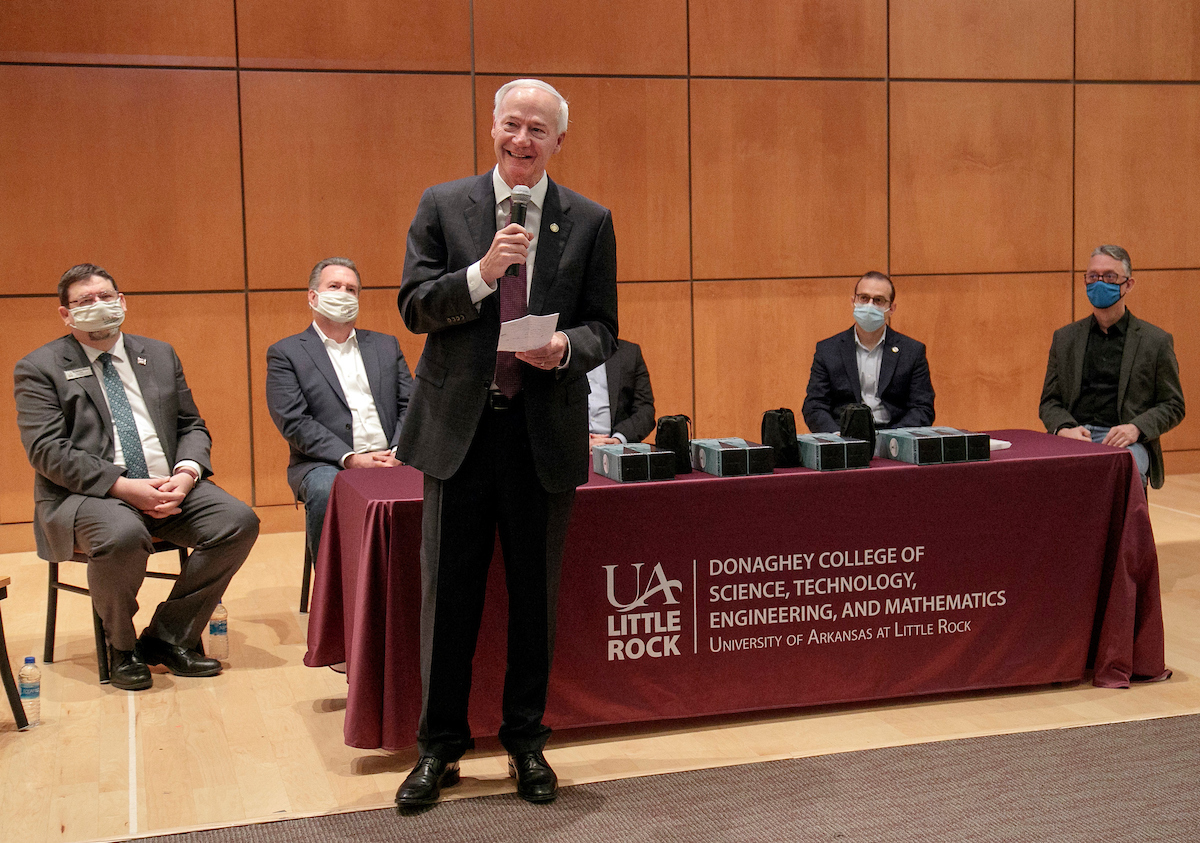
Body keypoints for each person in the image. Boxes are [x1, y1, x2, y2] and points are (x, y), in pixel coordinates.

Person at [393, 78, 617, 808]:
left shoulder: (588, 220)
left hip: (539, 434)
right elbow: (415, 306)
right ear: (492, 127)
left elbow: (602, 327)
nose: (523, 141)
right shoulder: (443, 205)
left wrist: (563, 346)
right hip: (460, 432)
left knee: (534, 601)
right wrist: (481, 275)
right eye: (512, 126)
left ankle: (525, 741)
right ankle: (439, 749)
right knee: (447, 599)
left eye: (538, 131)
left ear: (559, 142)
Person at [14, 264, 259, 691]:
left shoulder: (158, 354)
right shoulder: (40, 367)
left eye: (106, 296)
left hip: (168, 484)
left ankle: (166, 637)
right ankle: (122, 648)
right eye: (84, 301)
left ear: (122, 301)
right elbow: (47, 451)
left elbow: (191, 425)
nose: (98, 306)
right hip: (88, 495)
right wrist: (124, 486)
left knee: (237, 522)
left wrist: (185, 475)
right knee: (122, 534)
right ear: (65, 315)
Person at [265, 257, 413, 562]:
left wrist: (399, 450)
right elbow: (294, 422)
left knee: (446, 481)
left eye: (351, 289)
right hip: (326, 463)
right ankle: (336, 598)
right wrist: (352, 460)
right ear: (313, 296)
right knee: (325, 490)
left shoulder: (386, 345)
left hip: (393, 456)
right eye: (334, 286)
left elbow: (410, 404)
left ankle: (417, 590)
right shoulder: (287, 353)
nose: (344, 294)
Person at [1040, 245, 1185, 489]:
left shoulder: (1155, 341)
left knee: (1125, 471)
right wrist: (1064, 428)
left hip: (1125, 441)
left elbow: (1173, 405)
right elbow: (1049, 402)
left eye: (1109, 277)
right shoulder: (1065, 338)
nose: (1099, 283)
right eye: (1093, 276)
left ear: (1128, 284)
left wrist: (1136, 428)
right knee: (1034, 472)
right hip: (1076, 436)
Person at [802, 271, 935, 434]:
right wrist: (836, 437)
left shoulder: (912, 351)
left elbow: (922, 408)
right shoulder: (828, 350)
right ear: (853, 302)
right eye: (864, 298)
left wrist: (894, 438)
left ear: (891, 308)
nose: (869, 305)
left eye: (878, 300)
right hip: (842, 437)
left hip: (894, 439)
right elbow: (814, 406)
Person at [587, 339, 655, 446]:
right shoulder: (558, 354)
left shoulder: (629, 353)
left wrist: (618, 439)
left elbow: (645, 411)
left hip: (617, 446)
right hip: (570, 451)